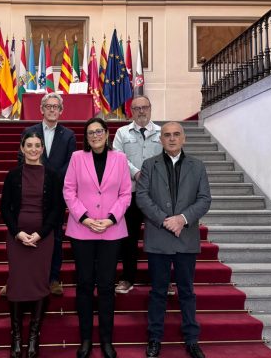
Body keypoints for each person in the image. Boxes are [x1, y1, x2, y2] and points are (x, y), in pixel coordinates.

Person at [136, 122, 212, 358]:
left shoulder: (197, 166)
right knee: (158, 291)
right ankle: (154, 338)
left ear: (184, 138)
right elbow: (142, 197)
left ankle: (191, 339)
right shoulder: (149, 165)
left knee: (187, 291)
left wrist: (182, 219)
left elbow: (204, 199)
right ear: (160, 140)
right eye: (167, 135)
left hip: (185, 238)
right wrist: (165, 220)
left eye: (176, 134)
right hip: (159, 236)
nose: (171, 138)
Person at [63, 118, 132, 358]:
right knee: (84, 285)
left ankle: (106, 340)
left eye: (99, 131)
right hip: (82, 229)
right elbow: (68, 190)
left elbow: (125, 193)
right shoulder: (76, 158)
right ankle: (85, 340)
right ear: (86, 136)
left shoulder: (120, 159)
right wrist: (84, 218)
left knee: (105, 286)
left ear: (107, 133)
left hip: (111, 229)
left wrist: (111, 218)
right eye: (90, 132)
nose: (95, 135)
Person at [0, 132, 63, 358]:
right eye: (29, 145)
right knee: (17, 282)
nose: (34, 149)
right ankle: (16, 336)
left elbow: (57, 209)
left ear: (42, 149)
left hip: (43, 238)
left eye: (38, 145)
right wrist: (17, 233)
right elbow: (5, 208)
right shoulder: (12, 175)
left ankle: (34, 336)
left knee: (39, 282)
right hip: (17, 238)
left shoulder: (53, 176)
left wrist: (40, 234)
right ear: (22, 148)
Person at [7, 92, 75, 296]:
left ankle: (53, 278)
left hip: (56, 192)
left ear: (61, 111)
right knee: (25, 236)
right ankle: (19, 278)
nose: (52, 109)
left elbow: (70, 163)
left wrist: (50, 179)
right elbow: (22, 158)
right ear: (41, 109)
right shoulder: (30, 131)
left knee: (55, 236)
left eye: (56, 106)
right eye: (48, 106)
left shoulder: (69, 135)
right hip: (31, 189)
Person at [112, 96, 164, 294]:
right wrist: (136, 173)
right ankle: (128, 278)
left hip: (156, 194)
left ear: (150, 108)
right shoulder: (122, 133)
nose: (141, 111)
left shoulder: (162, 132)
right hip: (131, 193)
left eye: (144, 107)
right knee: (129, 238)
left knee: (159, 237)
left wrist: (149, 175)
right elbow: (117, 157)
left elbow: (167, 156)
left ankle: (162, 279)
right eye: (137, 108)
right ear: (131, 111)